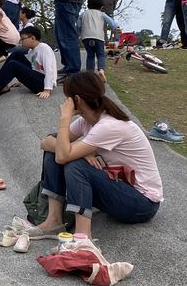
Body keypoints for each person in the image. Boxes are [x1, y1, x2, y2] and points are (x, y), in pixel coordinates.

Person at [23, 72, 163, 240]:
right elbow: (46, 142)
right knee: (57, 151)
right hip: (120, 189)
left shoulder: (110, 125)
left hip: (142, 203)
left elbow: (63, 155)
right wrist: (79, 152)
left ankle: (83, 238)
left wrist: (65, 119)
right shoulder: (87, 121)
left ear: (77, 99)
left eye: (67, 98)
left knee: (74, 165)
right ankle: (54, 220)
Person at [0, 25, 56, 106]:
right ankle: (3, 85)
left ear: (33, 38)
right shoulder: (31, 51)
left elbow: (49, 69)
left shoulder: (44, 48)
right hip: (37, 78)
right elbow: (33, 68)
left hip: (43, 84)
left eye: (23, 39)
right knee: (15, 55)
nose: (21, 42)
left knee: (13, 65)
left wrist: (47, 90)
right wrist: (24, 79)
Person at [80, 0, 120, 79]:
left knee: (90, 55)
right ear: (101, 7)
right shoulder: (102, 14)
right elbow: (112, 23)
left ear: (88, 5)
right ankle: (101, 70)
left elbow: (78, 26)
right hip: (98, 38)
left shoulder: (83, 14)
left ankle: (90, 73)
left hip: (86, 38)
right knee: (100, 55)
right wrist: (117, 28)